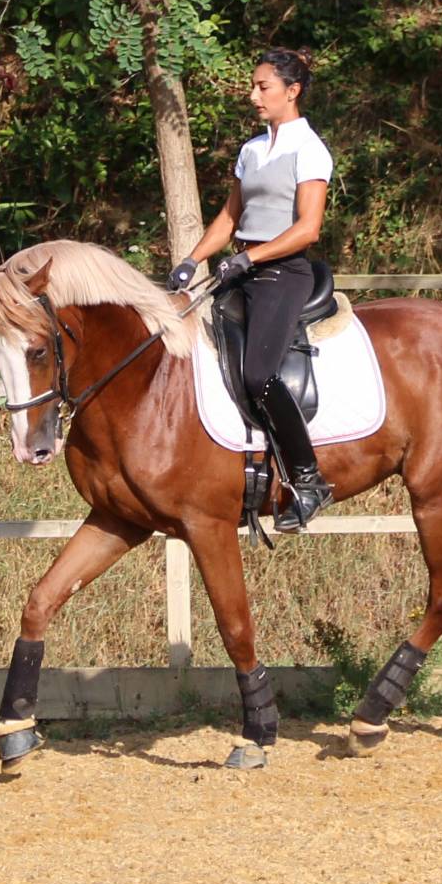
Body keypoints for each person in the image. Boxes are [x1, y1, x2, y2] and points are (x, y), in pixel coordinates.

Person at [168, 47, 334, 532]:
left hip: (283, 274)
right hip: (242, 271)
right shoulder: (252, 150)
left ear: (292, 91)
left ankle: (308, 480)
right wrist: (192, 259)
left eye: (263, 87)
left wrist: (250, 256)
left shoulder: (310, 150)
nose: (253, 95)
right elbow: (230, 217)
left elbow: (308, 229)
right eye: (254, 86)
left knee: (259, 373)